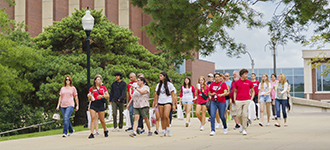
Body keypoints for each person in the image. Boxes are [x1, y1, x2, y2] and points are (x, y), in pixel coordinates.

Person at [153, 72, 176, 137]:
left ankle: (168, 129)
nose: (159, 77)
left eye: (161, 76)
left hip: (168, 101)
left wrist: (173, 104)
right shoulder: (158, 85)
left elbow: (173, 95)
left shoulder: (169, 84)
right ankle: (163, 130)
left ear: (164, 77)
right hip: (160, 101)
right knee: (162, 117)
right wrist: (155, 102)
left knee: (166, 116)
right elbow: (156, 94)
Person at [233, 69, 254, 135]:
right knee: (238, 114)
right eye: (245, 74)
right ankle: (242, 124)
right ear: (241, 75)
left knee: (245, 114)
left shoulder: (249, 82)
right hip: (238, 100)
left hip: (247, 100)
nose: (247, 75)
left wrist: (251, 98)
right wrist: (235, 100)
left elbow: (253, 91)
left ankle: (244, 129)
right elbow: (235, 91)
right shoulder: (237, 82)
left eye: (247, 74)